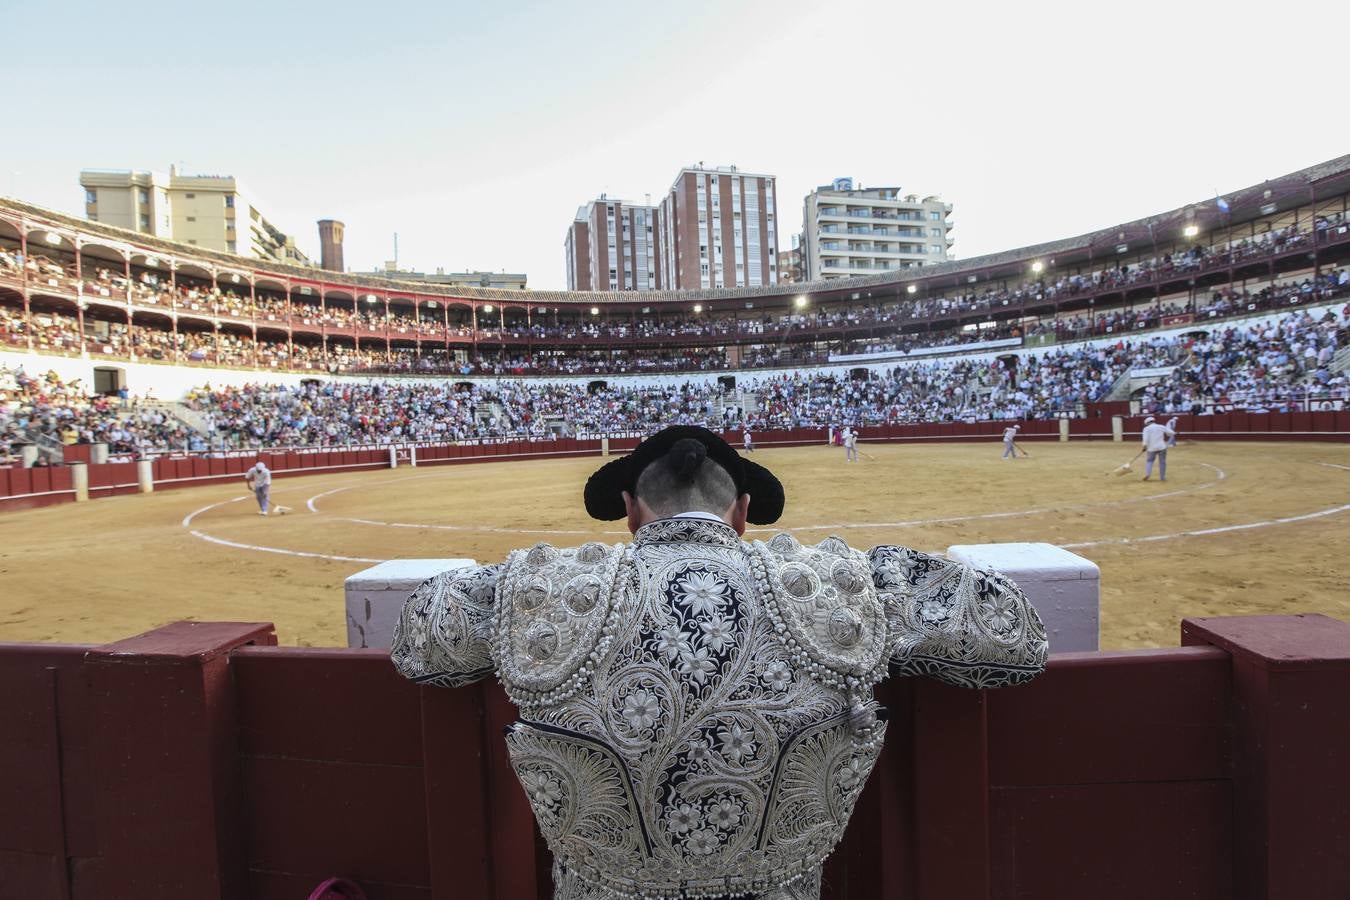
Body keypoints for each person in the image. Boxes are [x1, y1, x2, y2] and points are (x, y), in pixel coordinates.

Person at [391, 426, 1047, 900]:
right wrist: (883, 586)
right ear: (742, 514)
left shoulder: (545, 590)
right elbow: (1014, 637)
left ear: (630, 513)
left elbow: (420, 639)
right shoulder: (843, 586)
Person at [1140, 416, 1176, 482]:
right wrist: (1168, 435)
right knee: (1162, 462)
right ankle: (1162, 477)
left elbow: (1145, 439)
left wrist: (1144, 446)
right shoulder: (1161, 426)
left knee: (1149, 461)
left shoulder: (1146, 429)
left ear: (1147, 423)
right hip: (1162, 447)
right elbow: (1172, 433)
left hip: (1152, 448)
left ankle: (1148, 474)